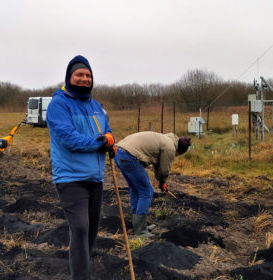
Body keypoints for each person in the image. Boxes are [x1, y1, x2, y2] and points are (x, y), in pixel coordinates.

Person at [46, 55, 115, 280]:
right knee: (80, 229)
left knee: (91, 232)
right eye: (80, 75)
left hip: (95, 178)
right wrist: (100, 143)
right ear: (70, 77)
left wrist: (110, 141)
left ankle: (82, 271)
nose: (85, 79)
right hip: (70, 178)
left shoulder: (96, 106)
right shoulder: (59, 104)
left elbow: (107, 131)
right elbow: (70, 139)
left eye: (88, 75)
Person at [113, 131, 191, 237]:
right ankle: (141, 231)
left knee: (136, 189)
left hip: (119, 153)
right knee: (146, 191)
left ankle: (138, 225)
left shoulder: (164, 140)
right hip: (129, 156)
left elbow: (157, 165)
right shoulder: (169, 148)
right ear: (178, 152)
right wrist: (162, 182)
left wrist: (161, 182)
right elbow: (164, 170)